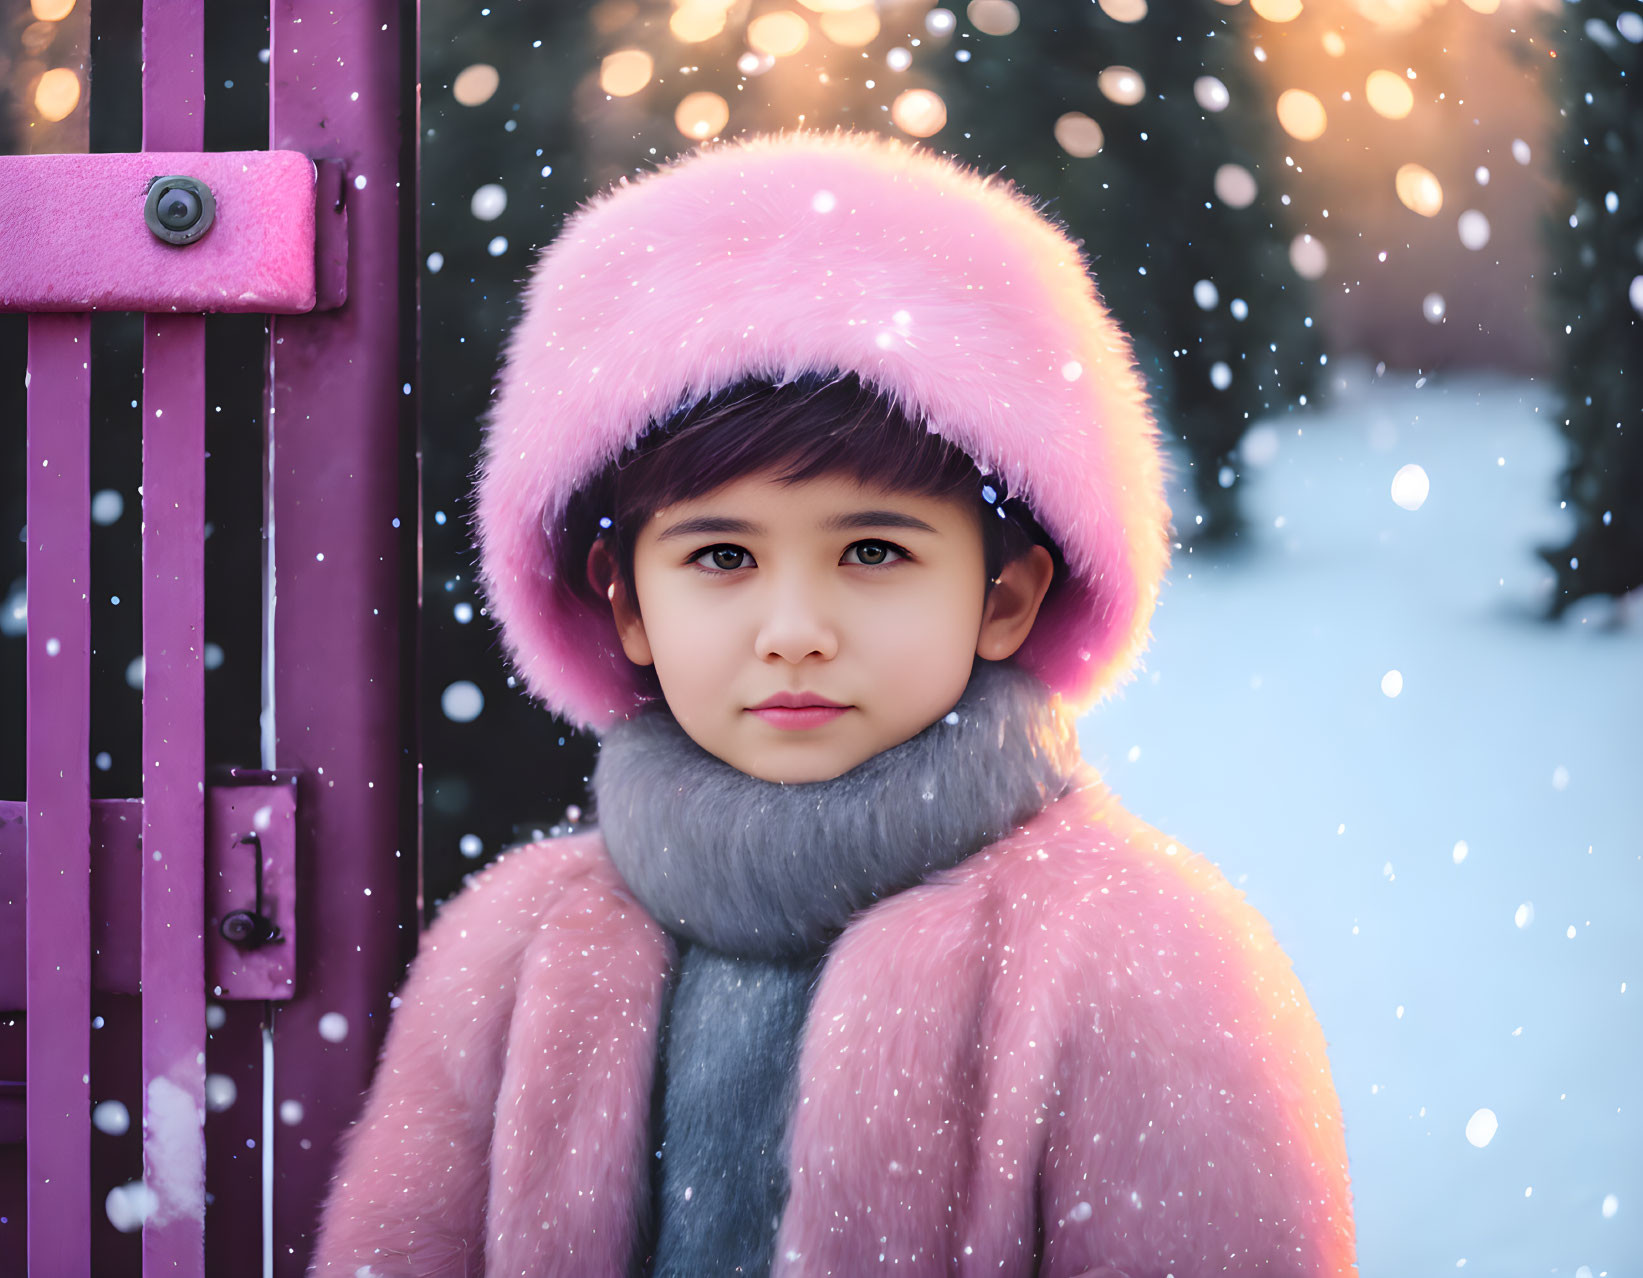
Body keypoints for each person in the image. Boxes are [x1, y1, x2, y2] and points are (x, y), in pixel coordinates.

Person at [308, 128, 1356, 1278]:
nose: (794, 627)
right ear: (626, 605)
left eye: (871, 550)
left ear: (1002, 597)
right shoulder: (509, 953)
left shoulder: (1145, 959)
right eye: (719, 558)